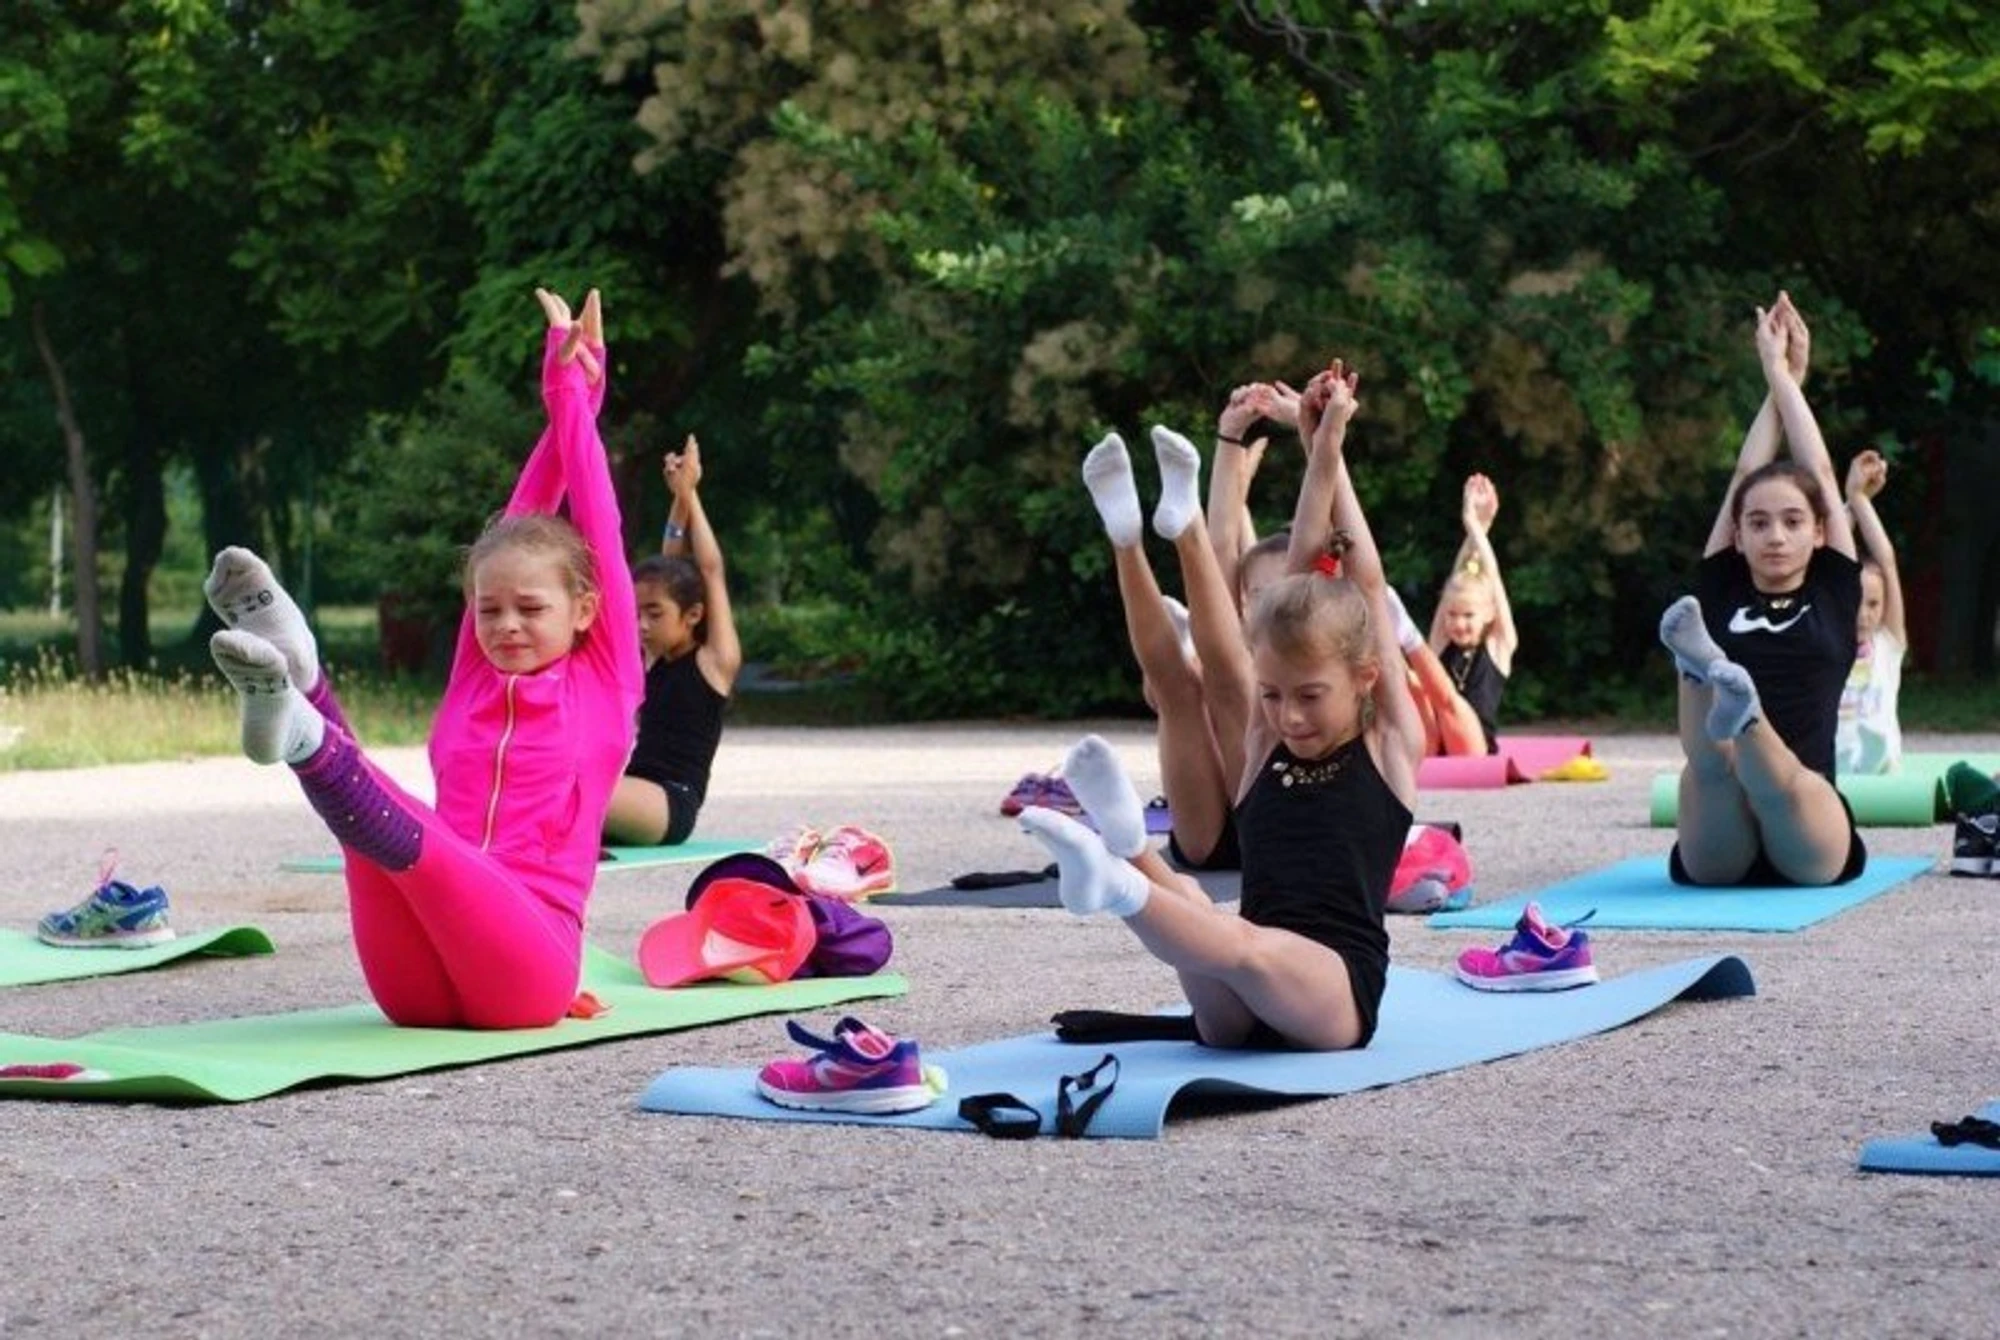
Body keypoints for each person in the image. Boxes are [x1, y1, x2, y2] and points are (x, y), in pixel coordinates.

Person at [205, 287, 642, 1029]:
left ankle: (307, 725)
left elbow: (595, 514)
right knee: (368, 844)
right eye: (488, 609)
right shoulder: (478, 674)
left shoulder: (606, 681)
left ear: (586, 611)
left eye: (531, 610)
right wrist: (566, 395)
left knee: (411, 838)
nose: (505, 626)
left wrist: (571, 392)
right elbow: (514, 524)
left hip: (526, 970)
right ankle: (301, 679)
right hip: (416, 986)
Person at [1029, 359, 1424, 1051]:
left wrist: (1328, 446)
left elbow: (1361, 576)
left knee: (1239, 940)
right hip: (1229, 1010)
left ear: (1365, 678)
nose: (1287, 715)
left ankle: (1120, 880)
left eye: (1309, 697)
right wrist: (1316, 445)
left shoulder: (1388, 744)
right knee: (1200, 912)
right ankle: (1127, 852)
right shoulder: (1266, 742)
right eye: (1272, 696)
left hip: (1329, 997)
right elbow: (1298, 582)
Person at [1657, 292, 1866, 888]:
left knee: (1785, 783)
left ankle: (1740, 711)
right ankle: (1700, 675)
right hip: (1718, 835)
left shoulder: (1833, 588)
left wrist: (1783, 376)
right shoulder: (1720, 591)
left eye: (1793, 522)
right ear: (1739, 536)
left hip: (1808, 827)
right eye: (1757, 523)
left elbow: (1822, 476)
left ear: (1820, 532)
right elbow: (1745, 476)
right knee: (1706, 768)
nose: (1775, 536)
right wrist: (1779, 383)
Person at [1081, 384, 1294, 875]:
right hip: (1204, 833)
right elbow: (1222, 550)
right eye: (1258, 593)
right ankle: (1125, 536)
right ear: (1244, 597)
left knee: (1231, 679)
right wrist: (1228, 436)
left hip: (1275, 824)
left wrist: (1318, 438)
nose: (1267, 603)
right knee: (1179, 686)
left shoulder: (1314, 640)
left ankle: (1164, 530)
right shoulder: (1234, 624)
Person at [602, 433, 742, 846]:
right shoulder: (654, 657)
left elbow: (709, 570)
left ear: (694, 614)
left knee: (574, 782)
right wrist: (678, 498)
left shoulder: (714, 662)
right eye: (637, 614)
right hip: (634, 793)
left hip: (669, 805)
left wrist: (691, 494)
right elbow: (671, 562)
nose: (642, 625)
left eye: (655, 614)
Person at [1410, 474, 1519, 755]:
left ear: (1488, 615)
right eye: (1452, 615)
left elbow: (1493, 579)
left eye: (1468, 615)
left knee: (1446, 697)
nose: (1458, 623)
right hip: (1436, 740)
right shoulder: (1442, 645)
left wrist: (1476, 525)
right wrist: (1474, 531)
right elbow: (1453, 584)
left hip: (1473, 745)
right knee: (1412, 679)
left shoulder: (1498, 647)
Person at [1835, 447, 1906, 775]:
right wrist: (1851, 499)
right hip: (1834, 763)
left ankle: (1870, 756)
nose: (1863, 614)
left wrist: (1861, 499)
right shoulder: (1827, 641)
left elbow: (1886, 561)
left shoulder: (1887, 643)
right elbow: (1822, 555)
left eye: (1874, 604)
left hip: (1882, 766)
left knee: (1874, 749)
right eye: (1853, 602)